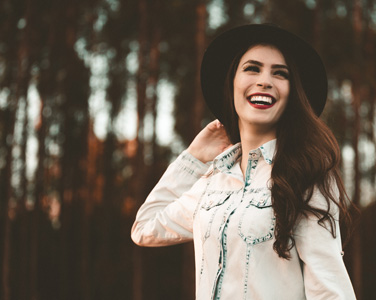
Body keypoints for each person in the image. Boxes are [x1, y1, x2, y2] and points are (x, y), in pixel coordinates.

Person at [131, 24, 356, 299]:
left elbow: (330, 290)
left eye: (280, 73)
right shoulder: (213, 181)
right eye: (252, 68)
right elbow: (145, 228)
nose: (264, 81)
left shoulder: (306, 175)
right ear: (232, 83)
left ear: (291, 93)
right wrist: (193, 159)